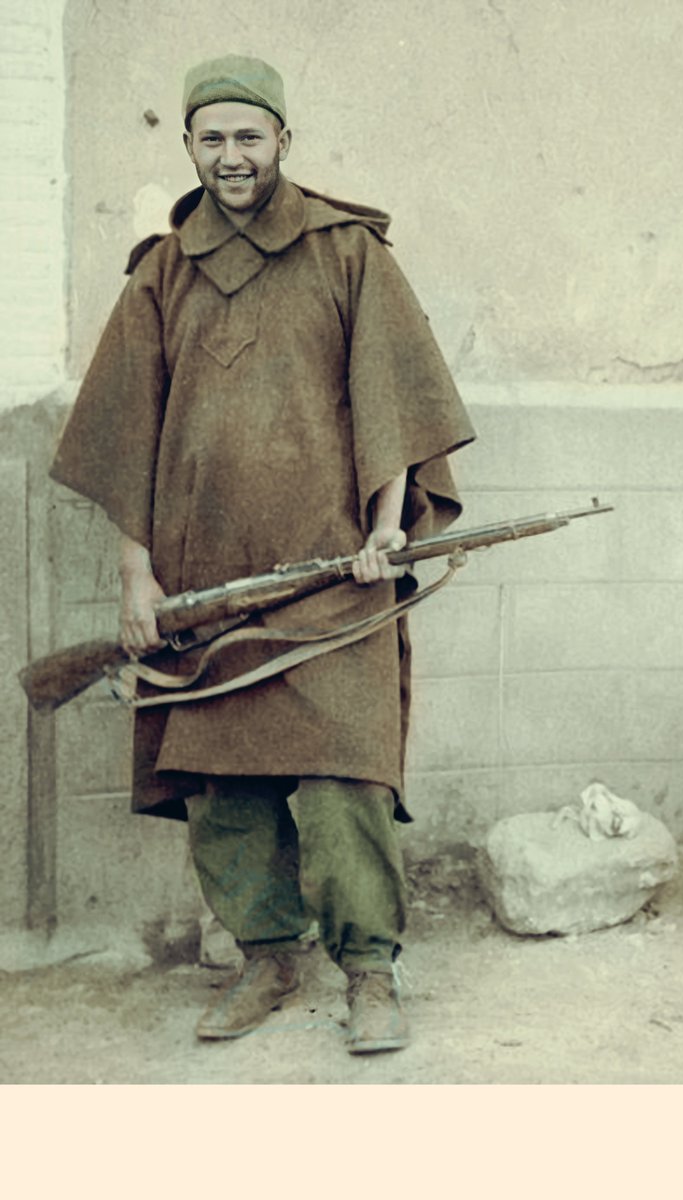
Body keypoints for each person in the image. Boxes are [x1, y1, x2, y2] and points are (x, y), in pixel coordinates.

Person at [50, 54, 475, 1055]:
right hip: (205, 594)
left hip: (333, 582)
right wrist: (136, 575)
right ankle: (268, 961)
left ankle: (370, 969)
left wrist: (384, 530)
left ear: (285, 139)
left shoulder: (347, 254)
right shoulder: (161, 270)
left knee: (343, 787)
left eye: (250, 136)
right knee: (226, 796)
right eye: (213, 138)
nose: (232, 156)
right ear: (188, 147)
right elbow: (127, 432)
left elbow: (394, 401)